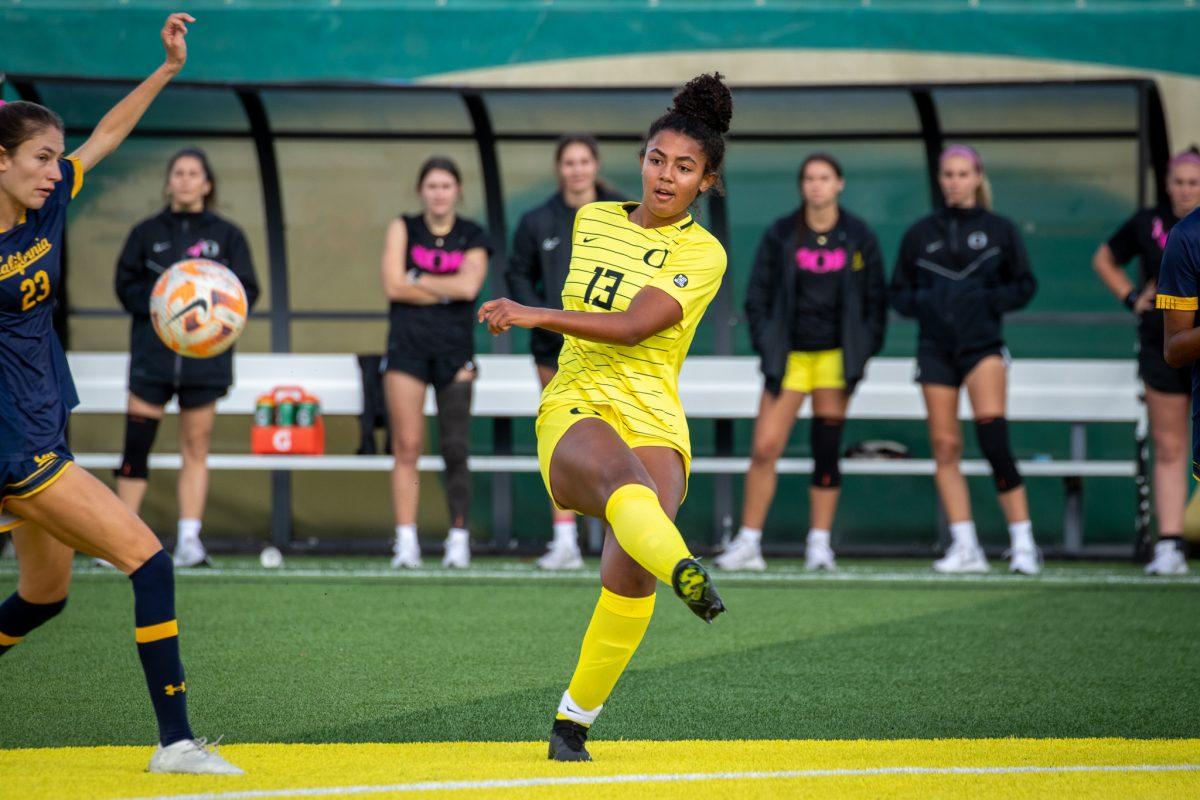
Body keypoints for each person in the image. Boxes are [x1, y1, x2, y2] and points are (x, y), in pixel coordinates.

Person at [0, 14, 241, 774]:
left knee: (43, 597)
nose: (54, 168)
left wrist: (167, 69)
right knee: (150, 560)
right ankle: (175, 743)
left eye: (52, 157)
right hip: (17, 446)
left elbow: (106, 135)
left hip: (43, 424)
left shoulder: (48, 203)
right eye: (39, 157)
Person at [480, 72, 732, 762]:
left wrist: (531, 312)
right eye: (657, 160)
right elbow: (598, 339)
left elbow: (630, 327)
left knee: (629, 572)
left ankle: (572, 724)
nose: (666, 176)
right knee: (632, 492)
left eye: (685, 168)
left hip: (654, 412)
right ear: (641, 159)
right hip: (579, 400)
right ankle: (691, 571)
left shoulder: (703, 252)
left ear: (706, 182)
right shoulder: (592, 219)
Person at [720, 153, 887, 573]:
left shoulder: (858, 236)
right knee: (765, 447)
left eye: (825, 177)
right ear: (801, 186)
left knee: (825, 450)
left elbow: (875, 302)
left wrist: (861, 351)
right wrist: (767, 344)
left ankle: (818, 545)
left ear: (839, 184)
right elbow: (757, 296)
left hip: (834, 359)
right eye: (810, 178)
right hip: (790, 359)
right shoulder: (781, 234)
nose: (817, 185)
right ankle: (749, 543)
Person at [890, 144, 1040, 575]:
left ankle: (1024, 544)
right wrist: (931, 302)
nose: (955, 182)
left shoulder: (1000, 230)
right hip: (935, 350)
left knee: (994, 441)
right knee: (945, 447)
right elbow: (897, 293)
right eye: (948, 174)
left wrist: (985, 301)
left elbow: (1024, 284)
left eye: (962, 174)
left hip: (982, 348)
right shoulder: (920, 233)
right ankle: (965, 545)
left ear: (977, 177)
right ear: (940, 179)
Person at [113, 147, 260, 567]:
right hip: (151, 359)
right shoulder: (145, 232)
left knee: (196, 446)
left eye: (194, 173)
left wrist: (215, 310)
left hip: (204, 361)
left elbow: (248, 291)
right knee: (136, 446)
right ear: (168, 181)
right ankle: (121, 539)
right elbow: (125, 287)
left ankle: (190, 541)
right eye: (178, 172)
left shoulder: (227, 235)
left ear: (207, 183)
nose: (185, 180)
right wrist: (163, 300)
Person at [506, 135, 624, 570]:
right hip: (553, 353)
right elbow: (517, 273)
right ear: (560, 169)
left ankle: (622, 537)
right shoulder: (538, 220)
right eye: (569, 162)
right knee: (563, 441)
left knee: (618, 443)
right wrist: (540, 317)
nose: (577, 169)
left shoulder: (624, 213)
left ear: (595, 165)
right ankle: (565, 542)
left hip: (612, 351)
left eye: (584, 161)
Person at [380, 156, 490, 569]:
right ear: (421, 191)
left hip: (454, 351)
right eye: (432, 186)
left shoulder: (473, 234)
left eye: (446, 185)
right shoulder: (403, 227)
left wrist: (418, 280)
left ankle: (457, 540)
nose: (439, 193)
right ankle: (406, 542)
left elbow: (469, 286)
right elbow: (392, 284)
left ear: (457, 191)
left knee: (455, 447)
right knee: (407, 446)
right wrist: (443, 289)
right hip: (407, 348)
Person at [1095, 147, 1200, 575]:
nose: (1185, 189)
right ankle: (1170, 543)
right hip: (1165, 345)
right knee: (1171, 445)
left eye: (1194, 182)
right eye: (1178, 181)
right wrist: (1129, 297)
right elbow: (1103, 258)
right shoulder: (1150, 222)